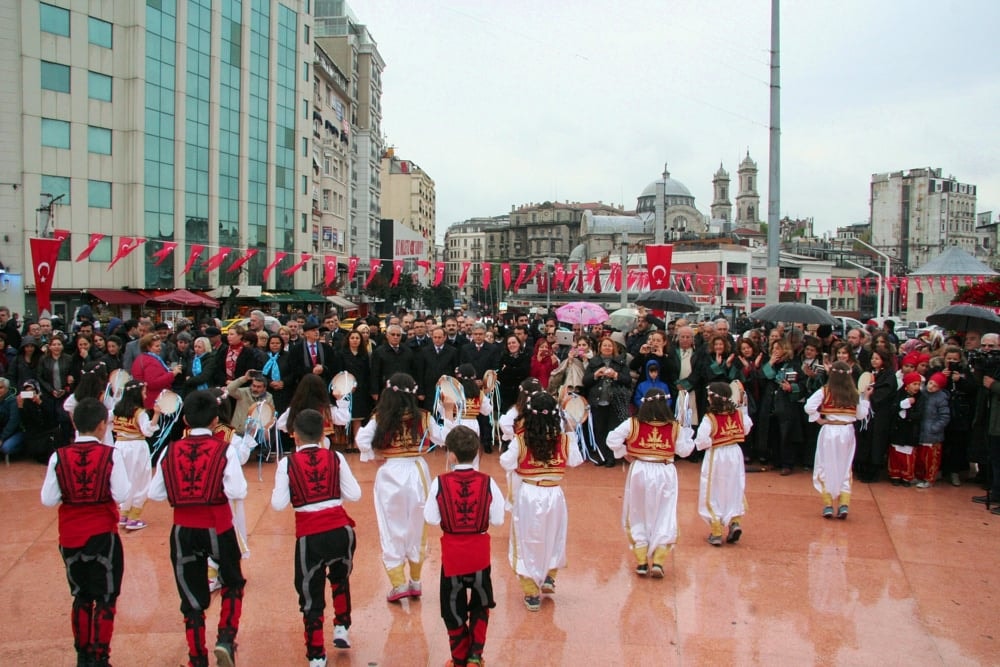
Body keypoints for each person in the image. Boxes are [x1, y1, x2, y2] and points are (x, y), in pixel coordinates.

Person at [147, 390, 248, 667]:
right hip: (218, 524)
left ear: (186, 421)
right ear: (216, 421)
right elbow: (238, 489)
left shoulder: (170, 450)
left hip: (183, 528)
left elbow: (155, 494)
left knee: (190, 594)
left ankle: (196, 657)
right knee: (233, 581)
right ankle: (226, 638)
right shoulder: (223, 449)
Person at [40, 397, 128, 667]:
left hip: (70, 535)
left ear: (75, 423)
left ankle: (83, 655)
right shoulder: (110, 455)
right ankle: (101, 656)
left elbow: (48, 499)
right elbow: (122, 494)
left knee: (81, 596)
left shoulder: (58, 456)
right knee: (106, 596)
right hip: (102, 533)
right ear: (103, 425)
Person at [271, 409, 361, 666]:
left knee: (310, 593)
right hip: (341, 531)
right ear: (324, 434)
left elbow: (278, 504)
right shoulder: (336, 457)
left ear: (295, 437)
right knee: (340, 579)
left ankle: (317, 654)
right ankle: (342, 627)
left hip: (310, 536)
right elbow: (354, 494)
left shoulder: (287, 463)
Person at [356, 373, 446, 602]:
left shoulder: (381, 417)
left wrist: (373, 455)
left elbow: (361, 440)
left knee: (391, 525)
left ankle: (398, 584)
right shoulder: (423, 417)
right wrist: (450, 412)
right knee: (418, 524)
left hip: (390, 473)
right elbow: (442, 438)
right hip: (417, 471)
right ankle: (415, 582)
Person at [424, 425, 505, 667]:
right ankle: (475, 656)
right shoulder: (488, 482)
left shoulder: (439, 482)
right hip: (480, 552)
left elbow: (431, 518)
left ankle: (459, 657)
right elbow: (499, 519)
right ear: (477, 453)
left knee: (452, 606)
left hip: (452, 554)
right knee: (481, 602)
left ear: (451, 455)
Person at [499, 391, 582, 611]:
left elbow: (505, 462)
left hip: (529, 493)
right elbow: (575, 460)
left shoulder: (522, 439)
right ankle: (548, 577)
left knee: (526, 539)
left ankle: (531, 592)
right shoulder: (563, 438)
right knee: (553, 535)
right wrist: (571, 432)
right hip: (554, 494)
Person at [607, 387, 694, 577]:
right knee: (665, 513)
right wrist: (688, 433)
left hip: (640, 470)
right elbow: (685, 451)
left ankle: (641, 561)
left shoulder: (633, 423)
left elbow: (611, 439)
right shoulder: (674, 427)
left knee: (638, 512)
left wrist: (625, 453)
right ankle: (659, 561)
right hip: (665, 471)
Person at [686, 382, 753, 546]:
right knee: (734, 486)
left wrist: (712, 440)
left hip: (717, 455)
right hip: (735, 454)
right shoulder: (738, 413)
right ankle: (734, 521)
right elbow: (746, 428)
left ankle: (716, 531)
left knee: (713, 489)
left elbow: (701, 441)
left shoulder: (710, 418)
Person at [804, 362, 871, 518]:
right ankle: (843, 505)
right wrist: (866, 398)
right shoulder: (854, 393)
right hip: (847, 431)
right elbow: (861, 415)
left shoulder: (825, 391)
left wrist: (818, 419)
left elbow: (808, 406)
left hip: (829, 430)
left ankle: (828, 505)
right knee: (845, 467)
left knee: (826, 465)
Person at [110, 380, 160, 531]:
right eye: (144, 392)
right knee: (141, 480)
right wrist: (156, 414)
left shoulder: (116, 410)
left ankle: (123, 514)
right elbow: (147, 431)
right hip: (137, 448)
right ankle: (133, 517)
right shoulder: (140, 413)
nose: (145, 395)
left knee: (125, 479)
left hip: (119, 446)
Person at [582, 336, 631, 466]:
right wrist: (595, 375)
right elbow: (585, 381)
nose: (607, 348)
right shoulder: (593, 363)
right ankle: (602, 455)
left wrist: (616, 375)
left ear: (614, 348)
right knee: (599, 430)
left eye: (610, 345)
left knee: (612, 430)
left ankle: (611, 457)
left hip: (614, 402)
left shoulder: (620, 362)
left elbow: (628, 381)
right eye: (605, 345)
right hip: (597, 402)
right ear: (600, 348)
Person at [914, 372, 951, 488]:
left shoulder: (941, 399)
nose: (931, 387)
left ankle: (929, 478)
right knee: (920, 458)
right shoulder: (922, 394)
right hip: (921, 432)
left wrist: (934, 428)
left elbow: (944, 416)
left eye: (935, 385)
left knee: (931, 459)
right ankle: (919, 476)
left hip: (933, 435)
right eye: (930, 383)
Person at [888, 372, 926, 486]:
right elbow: (893, 408)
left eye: (918, 384)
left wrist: (908, 415)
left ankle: (906, 476)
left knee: (907, 456)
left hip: (910, 431)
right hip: (897, 430)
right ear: (907, 385)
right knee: (896, 454)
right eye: (914, 384)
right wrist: (901, 405)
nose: (916, 387)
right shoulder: (899, 394)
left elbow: (920, 414)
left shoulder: (920, 398)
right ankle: (895, 474)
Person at [496, 334, 530, 414]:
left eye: (513, 342)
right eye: (509, 343)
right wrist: (514, 370)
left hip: (520, 394)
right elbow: (500, 375)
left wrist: (508, 369)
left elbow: (524, 372)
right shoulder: (503, 357)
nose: (511, 345)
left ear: (519, 343)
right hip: (506, 394)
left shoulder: (525, 356)